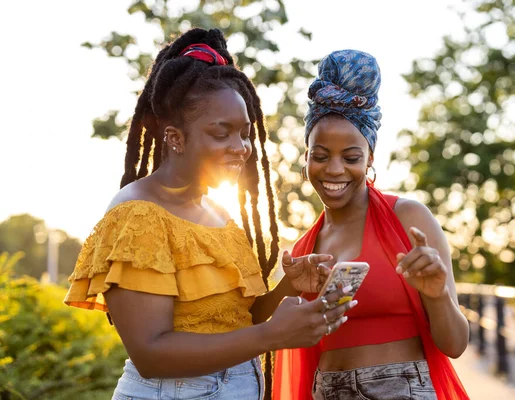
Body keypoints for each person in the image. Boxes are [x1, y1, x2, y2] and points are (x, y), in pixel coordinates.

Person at [64, 28, 356, 400]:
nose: (242, 148)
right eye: (222, 133)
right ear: (175, 138)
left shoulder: (218, 214)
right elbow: (151, 353)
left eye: (246, 134)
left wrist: (289, 285)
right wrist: (273, 336)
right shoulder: (138, 216)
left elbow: (233, 322)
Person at [273, 50, 470, 399]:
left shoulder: (408, 219)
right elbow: (256, 328)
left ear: (370, 159)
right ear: (305, 158)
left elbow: (455, 345)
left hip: (401, 389)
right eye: (320, 156)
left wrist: (437, 295)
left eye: (351, 157)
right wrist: (287, 285)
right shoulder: (305, 248)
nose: (334, 170)